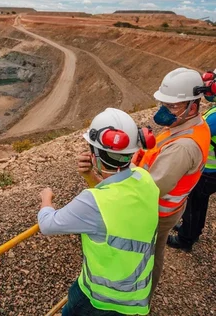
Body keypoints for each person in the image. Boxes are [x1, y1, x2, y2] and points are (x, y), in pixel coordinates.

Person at [77, 68, 211, 296]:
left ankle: (140, 297)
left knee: (148, 254)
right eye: (163, 103)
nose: (165, 111)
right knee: (151, 250)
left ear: (194, 105)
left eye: (173, 106)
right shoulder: (186, 127)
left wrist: (100, 176)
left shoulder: (183, 147)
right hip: (166, 207)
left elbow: (149, 189)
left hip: (157, 211)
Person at [38, 108, 159, 316]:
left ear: (94, 153)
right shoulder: (144, 178)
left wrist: (46, 199)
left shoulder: (93, 202)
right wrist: (90, 175)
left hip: (100, 299)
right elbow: (115, 197)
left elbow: (48, 224)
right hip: (135, 295)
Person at [167, 70, 216, 251]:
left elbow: (196, 132)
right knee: (200, 203)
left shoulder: (214, 117)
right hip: (212, 170)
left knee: (194, 204)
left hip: (208, 171)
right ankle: (193, 230)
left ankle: (186, 239)